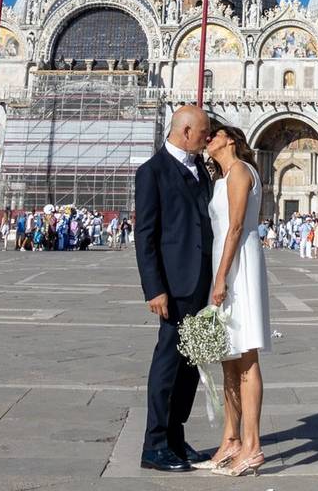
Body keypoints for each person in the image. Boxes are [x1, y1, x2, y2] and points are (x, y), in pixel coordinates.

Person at [135, 105, 214, 473]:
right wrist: (155, 289)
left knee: (189, 365)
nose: (207, 137)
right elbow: (145, 235)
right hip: (174, 285)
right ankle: (154, 444)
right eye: (203, 132)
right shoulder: (152, 172)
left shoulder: (200, 169)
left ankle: (176, 438)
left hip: (200, 282)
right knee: (168, 364)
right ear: (184, 132)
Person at [199, 125, 271, 477]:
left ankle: (253, 446)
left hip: (238, 267)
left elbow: (237, 226)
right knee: (229, 359)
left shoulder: (241, 170)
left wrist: (221, 279)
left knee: (246, 358)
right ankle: (231, 441)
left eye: (213, 133)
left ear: (230, 138)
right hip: (225, 264)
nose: (207, 138)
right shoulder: (223, 176)